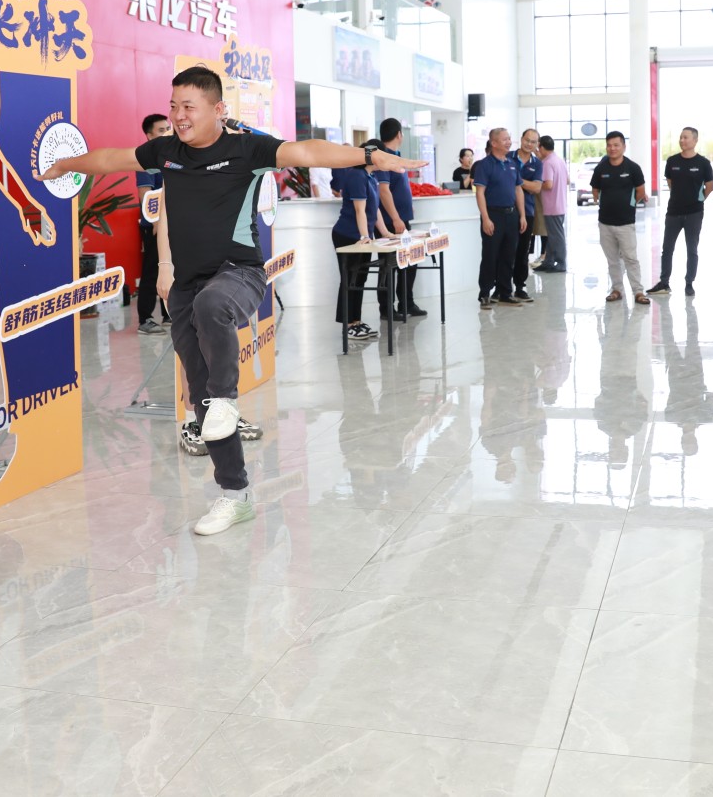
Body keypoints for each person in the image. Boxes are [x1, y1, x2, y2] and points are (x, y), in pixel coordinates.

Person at [37, 66, 424, 536]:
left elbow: (306, 151)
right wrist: (66, 165)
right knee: (200, 395)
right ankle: (235, 495)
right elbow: (111, 159)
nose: (179, 116)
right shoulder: (166, 152)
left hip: (239, 273)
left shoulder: (246, 149)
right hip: (186, 286)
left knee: (213, 319)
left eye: (189, 107)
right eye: (174, 106)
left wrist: (367, 156)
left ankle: (226, 399)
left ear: (218, 109)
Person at [333, 143, 393, 341]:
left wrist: (385, 233)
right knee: (350, 279)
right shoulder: (356, 176)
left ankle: (356, 321)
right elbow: (359, 210)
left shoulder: (370, 176)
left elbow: (374, 209)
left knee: (359, 279)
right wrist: (364, 236)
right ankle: (348, 325)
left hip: (361, 236)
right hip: (348, 235)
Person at [648, 127, 713, 297]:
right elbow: (670, 183)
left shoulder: (703, 163)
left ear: (695, 140)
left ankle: (689, 283)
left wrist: (698, 200)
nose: (682, 140)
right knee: (667, 249)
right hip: (673, 212)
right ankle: (664, 282)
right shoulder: (672, 161)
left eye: (686, 137)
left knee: (692, 249)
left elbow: (709, 186)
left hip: (694, 213)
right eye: (681, 137)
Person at [374, 117, 424, 318]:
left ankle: (406, 303)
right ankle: (386, 308)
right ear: (399, 135)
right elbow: (383, 191)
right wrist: (395, 218)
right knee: (388, 266)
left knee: (409, 261)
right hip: (389, 222)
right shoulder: (384, 158)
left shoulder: (396, 157)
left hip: (402, 220)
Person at [472, 126, 527, 308]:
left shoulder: (512, 163)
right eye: (504, 139)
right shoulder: (484, 165)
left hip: (511, 215)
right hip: (493, 215)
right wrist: (486, 218)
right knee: (490, 255)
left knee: (508, 255)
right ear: (494, 143)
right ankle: (485, 293)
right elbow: (480, 193)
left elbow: (518, 189)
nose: (509, 142)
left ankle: (505, 292)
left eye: (509, 138)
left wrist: (522, 215)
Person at [591, 131, 649, 303]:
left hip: (625, 223)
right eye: (609, 145)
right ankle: (617, 290)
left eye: (616, 145)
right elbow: (595, 189)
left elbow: (641, 191)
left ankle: (638, 291)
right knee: (613, 260)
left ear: (623, 146)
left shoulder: (633, 168)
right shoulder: (601, 168)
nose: (612, 148)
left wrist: (629, 204)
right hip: (605, 223)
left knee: (631, 258)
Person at [136, 113, 174, 334]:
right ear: (149, 136)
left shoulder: (168, 155)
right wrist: (157, 222)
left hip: (170, 224)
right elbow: (145, 194)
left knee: (169, 269)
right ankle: (145, 319)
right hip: (154, 226)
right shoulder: (146, 159)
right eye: (161, 130)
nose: (166, 133)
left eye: (167, 128)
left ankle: (168, 314)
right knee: (152, 271)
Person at [508, 127, 545, 302]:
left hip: (528, 211)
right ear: (521, 139)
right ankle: (501, 288)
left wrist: (514, 179)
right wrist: (525, 184)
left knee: (523, 251)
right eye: (527, 140)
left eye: (533, 142)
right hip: (506, 210)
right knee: (505, 250)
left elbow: (536, 188)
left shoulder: (537, 163)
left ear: (537, 144)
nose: (529, 144)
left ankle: (520, 287)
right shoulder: (507, 157)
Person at [536, 134, 570, 272]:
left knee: (557, 236)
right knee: (552, 234)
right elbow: (567, 180)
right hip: (560, 204)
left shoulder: (547, 163)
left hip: (552, 206)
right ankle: (548, 261)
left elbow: (548, 185)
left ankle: (561, 263)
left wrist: (536, 185)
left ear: (541, 147)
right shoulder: (559, 160)